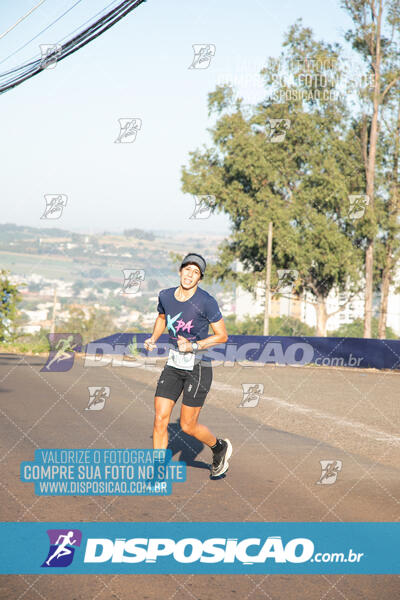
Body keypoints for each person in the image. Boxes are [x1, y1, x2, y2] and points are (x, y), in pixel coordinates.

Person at [144, 253, 232, 477]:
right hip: (173, 364)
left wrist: (193, 346)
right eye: (187, 269)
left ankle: (219, 447)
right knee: (160, 418)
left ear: (199, 278)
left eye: (195, 272)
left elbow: (222, 336)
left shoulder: (206, 301)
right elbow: (162, 318)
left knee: (187, 426)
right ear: (180, 271)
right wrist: (153, 338)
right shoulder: (165, 296)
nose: (190, 275)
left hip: (198, 367)